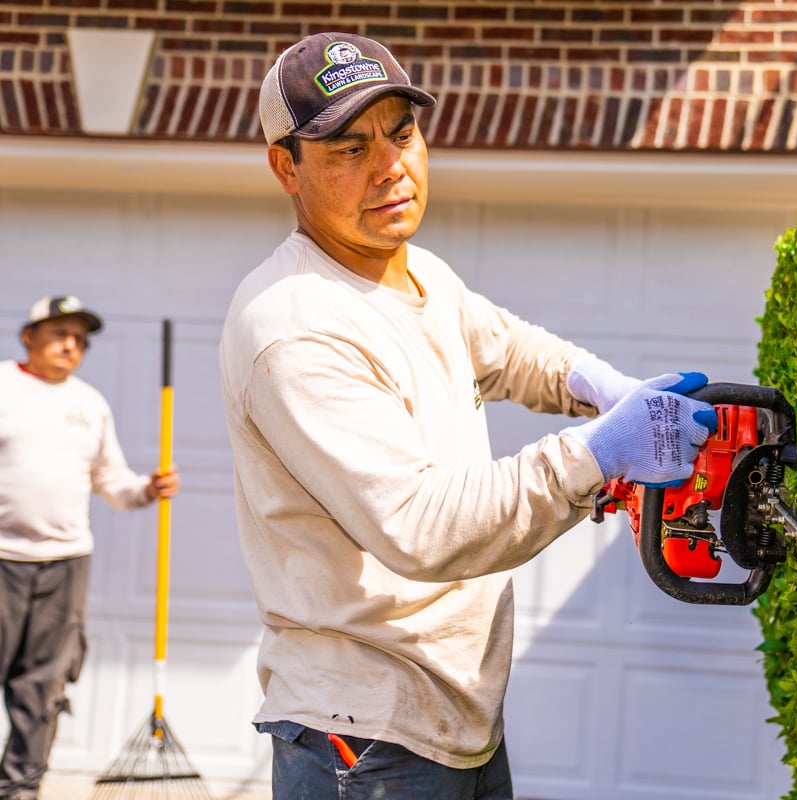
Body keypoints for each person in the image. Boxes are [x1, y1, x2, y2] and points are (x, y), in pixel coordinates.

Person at [219, 31, 718, 800]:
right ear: (287, 166)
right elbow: (419, 527)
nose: (390, 165)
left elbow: (507, 347)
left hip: (456, 719)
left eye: (402, 133)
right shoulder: (293, 327)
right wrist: (599, 454)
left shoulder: (415, 271)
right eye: (349, 147)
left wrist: (597, 385)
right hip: (367, 739)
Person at [0, 295, 180, 800]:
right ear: (28, 336)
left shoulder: (89, 403)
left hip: (65, 563)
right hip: (3, 559)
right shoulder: (4, 386)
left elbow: (111, 479)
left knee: (44, 686)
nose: (70, 345)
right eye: (59, 333)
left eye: (79, 339)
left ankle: (18, 789)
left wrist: (147, 489)